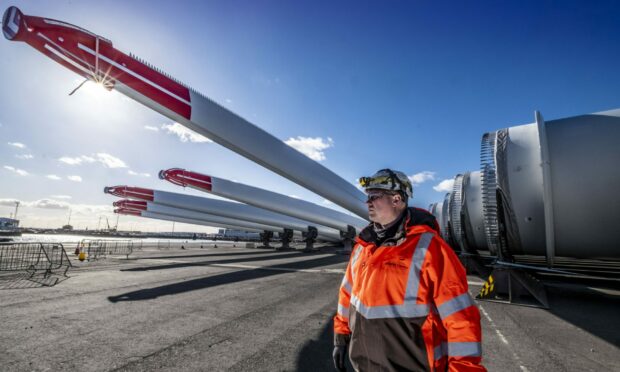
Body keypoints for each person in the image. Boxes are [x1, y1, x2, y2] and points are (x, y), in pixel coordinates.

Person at [333, 169, 486, 371]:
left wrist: (463, 368)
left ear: (396, 200)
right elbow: (347, 295)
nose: (367, 202)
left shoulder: (430, 249)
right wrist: (341, 335)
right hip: (364, 363)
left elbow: (461, 317)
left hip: (414, 365)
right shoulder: (363, 247)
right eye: (367, 197)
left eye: (374, 196)